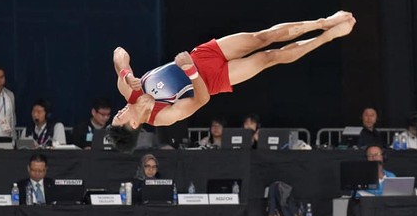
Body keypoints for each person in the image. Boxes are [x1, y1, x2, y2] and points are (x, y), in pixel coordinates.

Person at [107, 11, 356, 152]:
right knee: (270, 57)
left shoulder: (128, 90)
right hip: (213, 79)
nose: (118, 112)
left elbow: (119, 53)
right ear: (131, 124)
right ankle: (327, 37)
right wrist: (191, 72)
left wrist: (126, 74)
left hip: (204, 54)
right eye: (119, 117)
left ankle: (323, 23)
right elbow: (201, 100)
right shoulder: (162, 117)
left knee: (262, 37)